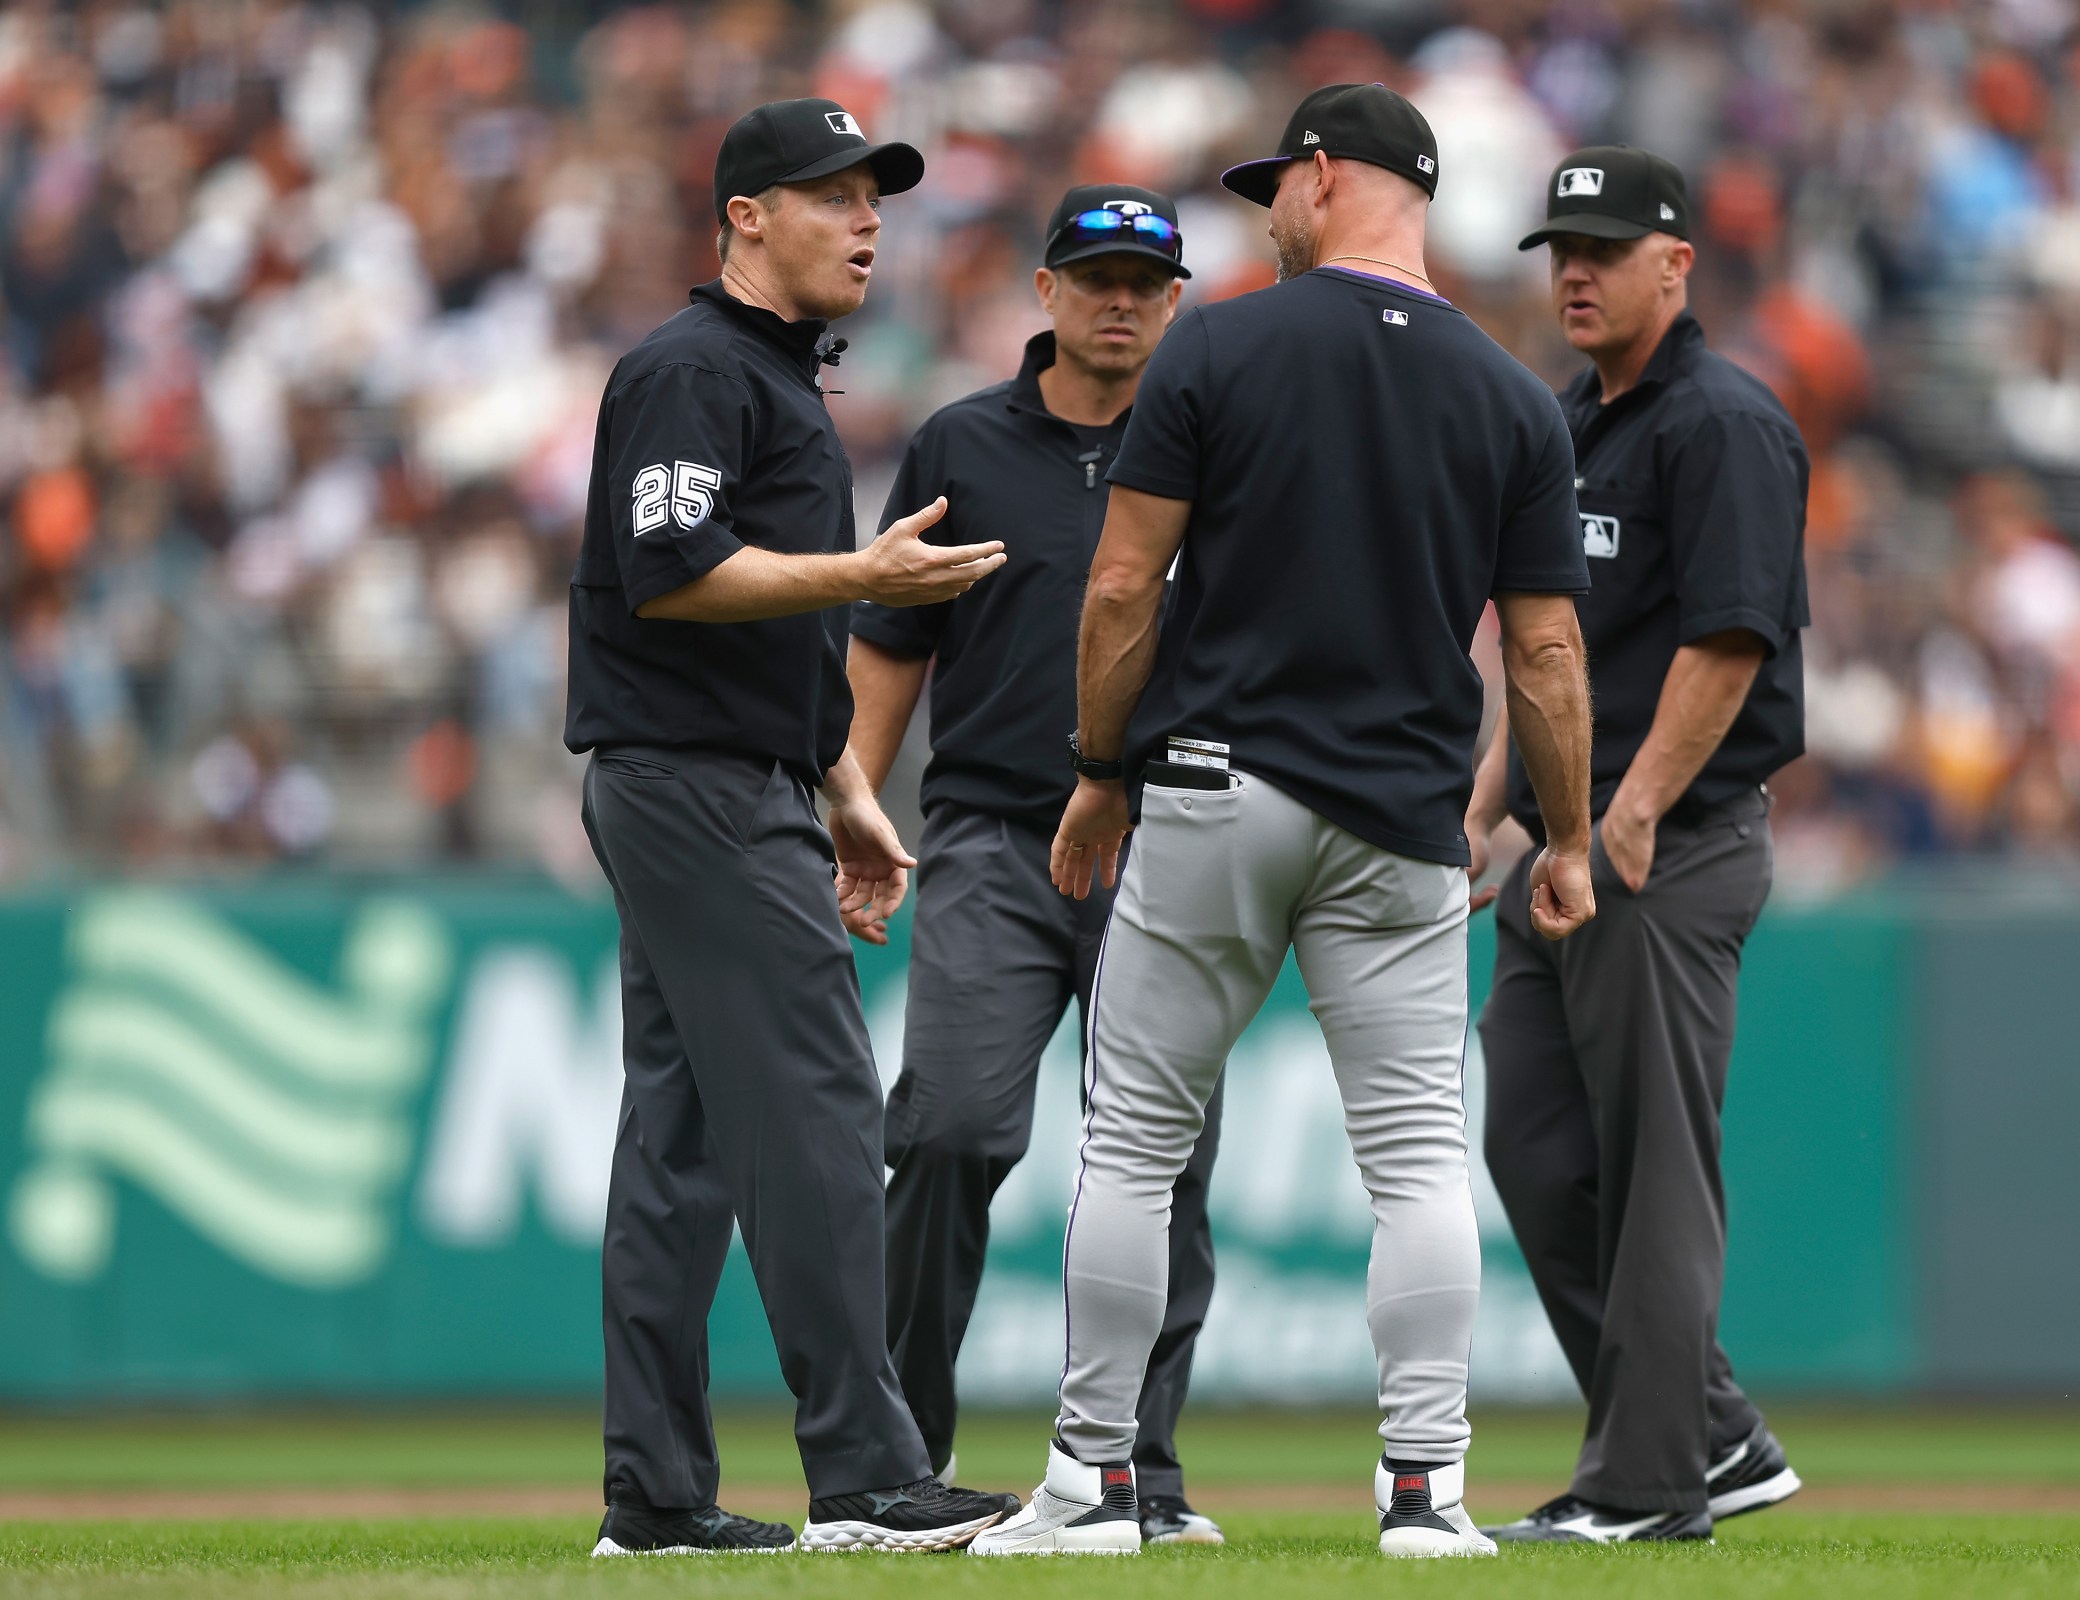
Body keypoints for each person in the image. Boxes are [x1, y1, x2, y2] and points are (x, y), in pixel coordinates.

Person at [968, 83, 1598, 1560]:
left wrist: (1097, 768)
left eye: (1276, 190)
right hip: (1400, 820)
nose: (1267, 215)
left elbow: (1123, 587)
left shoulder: (1223, 344)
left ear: (1323, 178)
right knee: (1419, 1164)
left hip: (1213, 787)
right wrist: (1563, 838)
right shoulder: (1513, 395)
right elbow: (1551, 656)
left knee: (1130, 1144)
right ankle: (1426, 1496)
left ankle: (1091, 1486)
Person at [565, 97, 1020, 1556]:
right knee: (819, 1106)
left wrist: (843, 791)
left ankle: (655, 1494)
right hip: (694, 785)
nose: (868, 218)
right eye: (832, 195)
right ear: (746, 215)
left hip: (729, 772)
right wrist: (859, 573)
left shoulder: (763, 377)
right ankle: (867, 1476)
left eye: (876, 197)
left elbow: (749, 634)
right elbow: (669, 569)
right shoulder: (693, 369)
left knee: (685, 1141)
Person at [844, 183, 1228, 1547]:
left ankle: (1140, 1474)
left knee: (1166, 1167)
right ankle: (901, 1462)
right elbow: (893, 645)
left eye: (1145, 279)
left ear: (1176, 301)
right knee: (946, 1130)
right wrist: (856, 802)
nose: (1120, 298)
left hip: (1168, 841)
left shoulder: (1215, 441)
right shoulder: (961, 441)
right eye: (1095, 274)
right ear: (1047, 291)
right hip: (997, 838)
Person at [1468, 146, 1811, 1544]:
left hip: (1661, 848)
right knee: (1539, 1151)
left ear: (1679, 263)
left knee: (1655, 1170)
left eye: (1607, 249)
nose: (1577, 272)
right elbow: (1552, 653)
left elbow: (1731, 637)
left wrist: (1635, 811)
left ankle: (1649, 1483)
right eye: (1564, 248)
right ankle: (1714, 1434)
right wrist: (1489, 809)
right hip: (1567, 840)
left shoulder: (1721, 421)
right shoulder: (1571, 421)